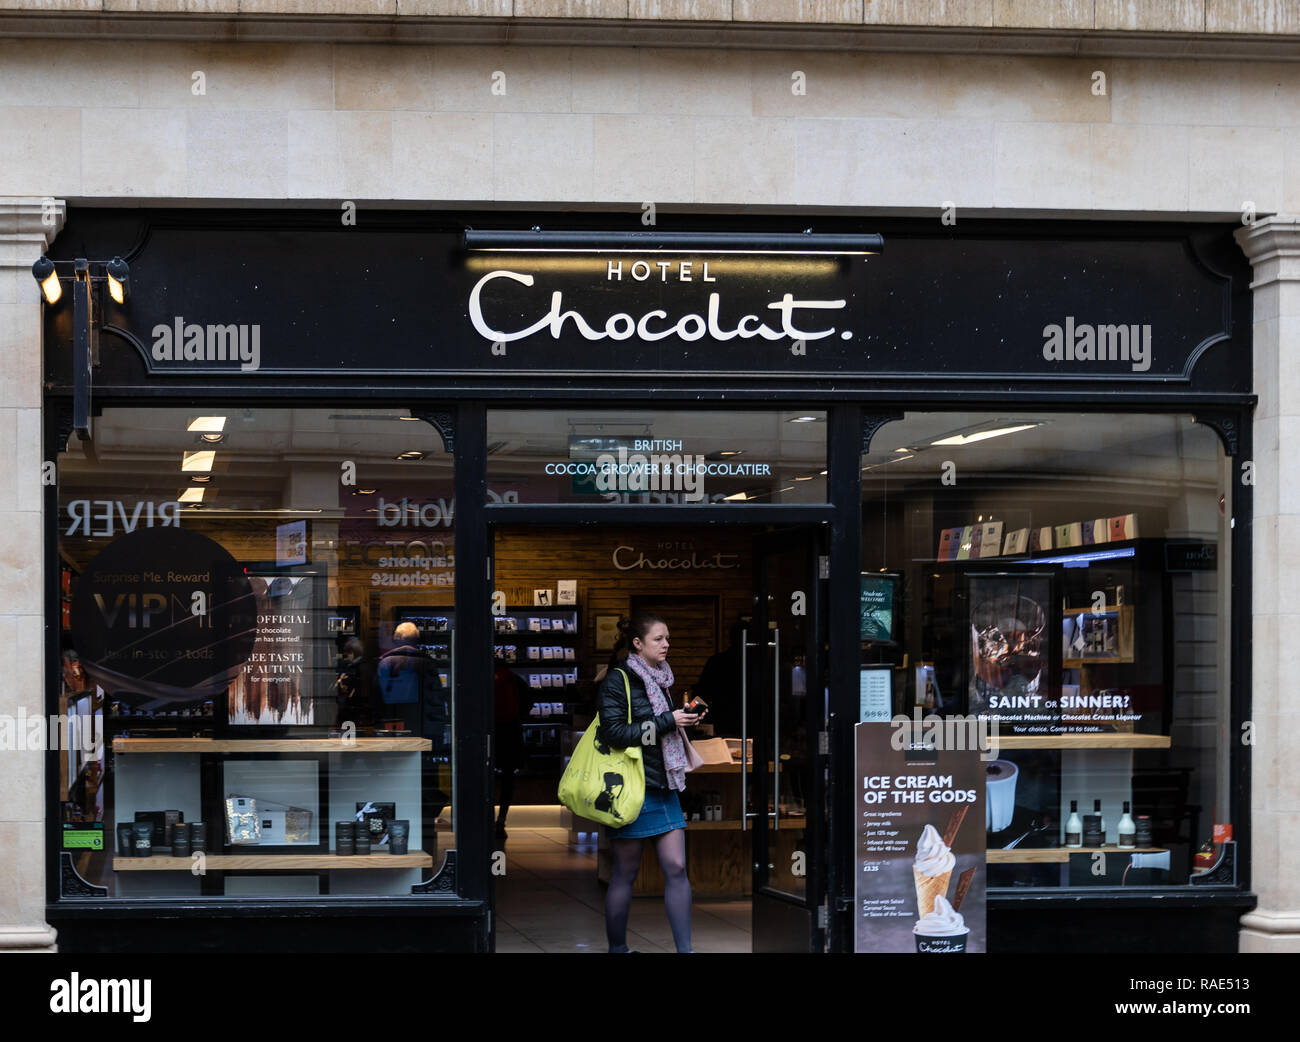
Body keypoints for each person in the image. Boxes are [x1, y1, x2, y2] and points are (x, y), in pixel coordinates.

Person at [598, 612, 703, 954]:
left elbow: (663, 726)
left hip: (664, 784)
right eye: (659, 639)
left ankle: (685, 950)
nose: (666, 644)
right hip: (633, 784)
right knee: (626, 871)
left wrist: (683, 719)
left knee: (676, 866)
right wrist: (666, 721)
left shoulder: (663, 679)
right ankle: (618, 948)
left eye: (668, 638)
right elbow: (614, 734)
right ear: (638, 644)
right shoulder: (619, 679)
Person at [375, 622, 449, 857]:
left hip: (392, 736)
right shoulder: (428, 665)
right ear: (418, 640)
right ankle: (425, 842)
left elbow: (377, 702)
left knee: (393, 783)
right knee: (425, 787)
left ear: (396, 639)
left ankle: (393, 837)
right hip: (425, 737)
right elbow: (437, 703)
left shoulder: (385, 663)